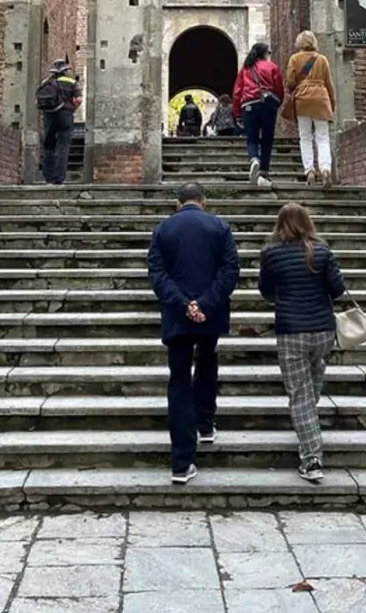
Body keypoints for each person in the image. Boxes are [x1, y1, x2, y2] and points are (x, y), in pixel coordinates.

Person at [147, 181, 240, 484]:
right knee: (208, 361)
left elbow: (157, 276)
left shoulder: (163, 230)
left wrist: (184, 305)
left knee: (179, 380)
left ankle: (181, 461)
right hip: (209, 314)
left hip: (177, 316)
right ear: (204, 201)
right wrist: (205, 304)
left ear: (178, 203)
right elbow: (230, 272)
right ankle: (205, 423)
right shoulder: (220, 227)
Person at [258, 202, 347, 483]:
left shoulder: (270, 253)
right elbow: (338, 289)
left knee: (300, 393)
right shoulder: (321, 250)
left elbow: (265, 290)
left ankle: (311, 458)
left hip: (291, 329)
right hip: (322, 329)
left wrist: (283, 297)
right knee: (313, 378)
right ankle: (308, 426)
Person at [285, 30, 337, 188]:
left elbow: (290, 82)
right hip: (321, 98)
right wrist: (332, 104)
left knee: (305, 137)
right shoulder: (322, 59)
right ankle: (326, 169)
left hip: (302, 99)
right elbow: (329, 84)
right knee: (322, 137)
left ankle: (309, 171)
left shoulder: (294, 59)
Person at [232, 41, 284, 189]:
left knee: (252, 140)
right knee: (267, 142)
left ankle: (254, 159)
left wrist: (236, 112)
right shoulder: (272, 67)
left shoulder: (245, 69)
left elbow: (237, 92)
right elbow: (279, 88)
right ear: (265, 54)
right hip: (267, 106)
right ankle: (263, 173)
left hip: (249, 106)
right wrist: (277, 103)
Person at [36, 59, 82, 185]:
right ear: (65, 70)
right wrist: (72, 109)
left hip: (49, 115)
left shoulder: (46, 82)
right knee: (63, 146)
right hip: (65, 115)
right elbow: (78, 99)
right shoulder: (72, 82)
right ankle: (58, 178)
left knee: (48, 145)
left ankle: (48, 176)